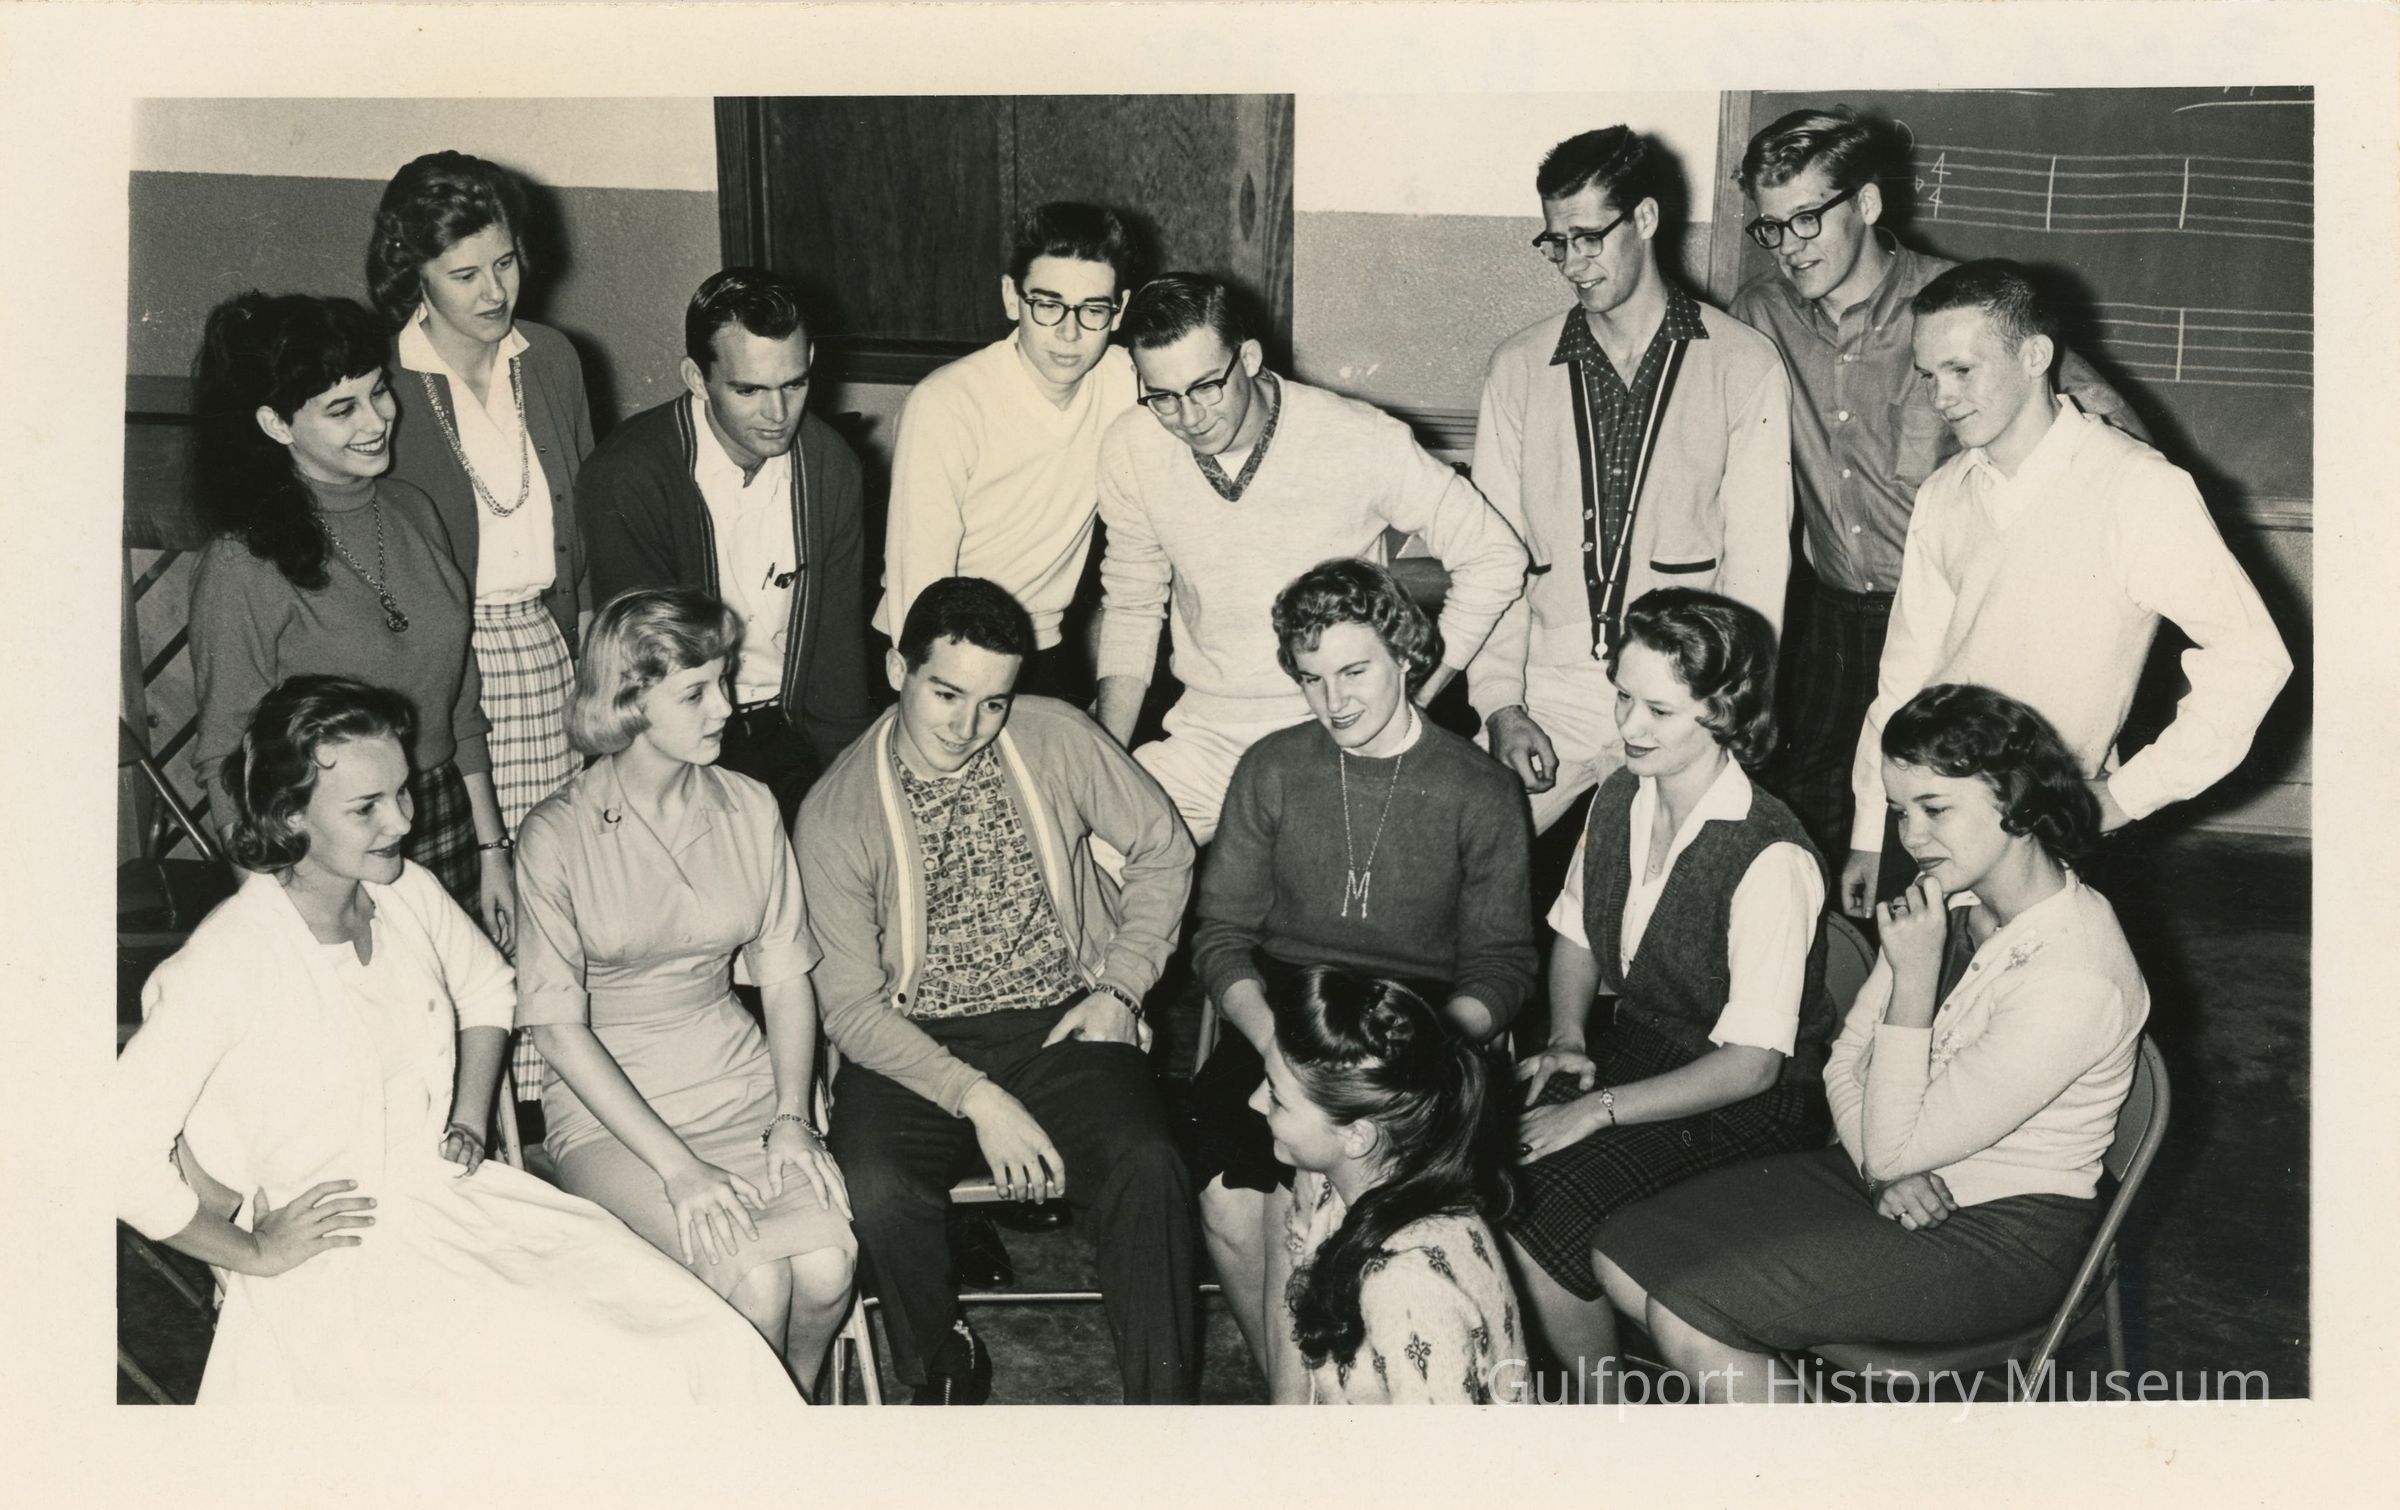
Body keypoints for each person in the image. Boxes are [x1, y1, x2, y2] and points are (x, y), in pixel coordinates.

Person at [112, 676, 803, 1405]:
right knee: (578, 1383)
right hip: (339, 1257)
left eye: (403, 792)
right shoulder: (227, 960)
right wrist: (252, 1250)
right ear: (289, 816)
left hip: (449, 1202)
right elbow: (117, 1158)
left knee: (698, 1337)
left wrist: (470, 1118)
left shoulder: (403, 892)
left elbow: (489, 989)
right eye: (366, 807)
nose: (401, 821)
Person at [1594, 684, 2149, 1401]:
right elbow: (1845, 1062)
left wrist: (1913, 983)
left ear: (2014, 798)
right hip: (1888, 1175)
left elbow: (1893, 1140)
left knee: (1690, 1310)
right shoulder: (1950, 899)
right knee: (1624, 1253)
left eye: (1935, 809)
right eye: (1899, 811)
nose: (1911, 837)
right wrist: (1884, 1169)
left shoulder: (2076, 976)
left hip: (2005, 1232)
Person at [796, 577, 1199, 1404]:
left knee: (1148, 1164)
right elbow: (852, 1010)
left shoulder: (1054, 735)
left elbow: (1164, 847)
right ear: (898, 669)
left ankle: (1163, 1409)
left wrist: (1121, 990)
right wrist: (979, 1099)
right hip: (910, 1041)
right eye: (946, 694)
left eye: (993, 703)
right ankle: (941, 1358)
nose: (968, 726)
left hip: (1060, 1021)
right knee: (876, 1185)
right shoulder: (836, 813)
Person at [1728, 109, 2146, 865]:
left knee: (1959, 838)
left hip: (1949, 622)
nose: (1789, 246)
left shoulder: (1956, 309)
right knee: (1802, 833)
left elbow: (2114, 436)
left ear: (1866, 203)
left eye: (1808, 219)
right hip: (1828, 619)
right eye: (1771, 227)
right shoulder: (1758, 315)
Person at [1837, 260, 2292, 917]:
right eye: (1929, 375)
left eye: (1962, 369)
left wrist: (2127, 795)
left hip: (2048, 837)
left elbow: (2253, 659)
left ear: (2035, 356)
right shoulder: (1943, 492)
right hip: (1930, 830)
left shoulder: (2137, 486)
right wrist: (1870, 828)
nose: (1941, 397)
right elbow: (1904, 677)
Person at [1189, 558, 1535, 1386]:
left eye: (1354, 672)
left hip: (1420, 1021)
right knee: (1228, 1194)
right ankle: (1303, 1388)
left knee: (1318, 1192)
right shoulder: (1273, 767)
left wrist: (1426, 1046)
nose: (1333, 701)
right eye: (1311, 679)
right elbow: (1221, 936)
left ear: (1407, 656)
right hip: (1286, 1008)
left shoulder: (1479, 787)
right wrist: (1278, 1048)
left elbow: (1504, 965)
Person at [513, 589, 857, 1390]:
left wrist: (792, 1117)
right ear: (629, 701)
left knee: (827, 1267)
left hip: (736, 1078)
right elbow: (557, 1029)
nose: (726, 708)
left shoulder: (749, 805)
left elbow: (784, 978)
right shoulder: (556, 834)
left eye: (724, 681)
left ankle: (791, 1416)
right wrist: (678, 1168)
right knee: (756, 1280)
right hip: (614, 1107)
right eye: (696, 692)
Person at [1504, 588, 1837, 1369]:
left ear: (1725, 712)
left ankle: (1604, 1417)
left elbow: (1752, 1066)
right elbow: (1578, 931)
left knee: (1533, 1215)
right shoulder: (1619, 793)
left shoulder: (1770, 855)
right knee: (1475, 1167)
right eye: (1622, 697)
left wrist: (1596, 1110)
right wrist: (1567, 1036)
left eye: (1658, 710)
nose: (1628, 727)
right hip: (1643, 1049)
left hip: (1752, 1101)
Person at [1092, 272, 1529, 844]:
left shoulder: (1358, 437)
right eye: (1163, 398)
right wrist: (1105, 758)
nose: (1189, 417)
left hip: (1333, 732)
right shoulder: (1131, 445)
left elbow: (1495, 557)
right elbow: (1131, 604)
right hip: (1203, 738)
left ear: (1248, 358)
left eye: (1205, 387)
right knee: (1091, 856)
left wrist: (1412, 695)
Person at [1468, 126, 1793, 835]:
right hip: (1547, 692)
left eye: (1589, 238)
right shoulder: (1518, 368)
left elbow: (1759, 564)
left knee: (1647, 882)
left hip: (1680, 697)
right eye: (1557, 242)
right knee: (1453, 856)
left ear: (1645, 218)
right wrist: (1500, 705)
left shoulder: (1744, 363)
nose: (1572, 264)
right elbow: (1493, 556)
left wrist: (1725, 709)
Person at [370, 148, 598, 1109]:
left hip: (550, 650)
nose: (495, 291)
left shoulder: (551, 358)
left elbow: (583, 535)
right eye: (464, 274)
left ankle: (556, 1108)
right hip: (442, 670)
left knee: (561, 894)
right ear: (412, 275)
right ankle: (467, 1110)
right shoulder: (385, 380)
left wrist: (593, 663)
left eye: (505, 263)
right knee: (466, 904)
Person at [186, 292, 515, 947]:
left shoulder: (414, 511)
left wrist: (492, 850)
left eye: (378, 391)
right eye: (342, 408)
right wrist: (270, 911)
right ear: (276, 424)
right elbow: (225, 752)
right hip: (324, 841)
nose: (378, 419)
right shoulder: (240, 562)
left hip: (439, 811)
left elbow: (460, 710)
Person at [579, 267, 875, 826]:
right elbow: (643, 675)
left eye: (794, 384)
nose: (778, 414)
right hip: (675, 742)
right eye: (748, 390)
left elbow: (838, 656)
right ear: (697, 377)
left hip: (790, 732)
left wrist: (848, 784)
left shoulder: (830, 465)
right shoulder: (629, 475)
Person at [872, 201, 1142, 700]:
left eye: (1093, 310)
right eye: (1048, 304)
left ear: (1119, 310)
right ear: (1011, 298)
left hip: (1043, 646)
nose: (1069, 333)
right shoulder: (946, 403)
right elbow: (919, 579)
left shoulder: (1126, 380)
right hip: (934, 647)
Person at [1253, 967, 1526, 1405]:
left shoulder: (1407, 1288)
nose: (1254, 1102)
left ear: (1356, 1136)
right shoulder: (1328, 1180)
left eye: (1276, 1097)